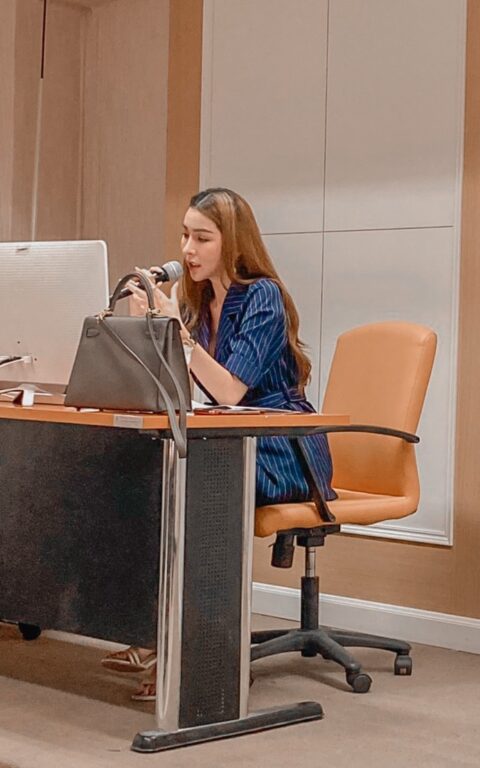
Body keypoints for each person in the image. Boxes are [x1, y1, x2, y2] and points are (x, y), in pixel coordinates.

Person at [101, 187, 336, 701]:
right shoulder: (198, 301)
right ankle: (158, 633)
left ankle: (206, 656)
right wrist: (149, 328)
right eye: (185, 235)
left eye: (203, 238)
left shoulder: (263, 297)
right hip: (227, 439)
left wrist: (177, 335)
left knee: (194, 489)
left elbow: (229, 390)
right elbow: (180, 387)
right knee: (140, 477)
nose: (188, 249)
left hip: (283, 446)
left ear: (233, 242)